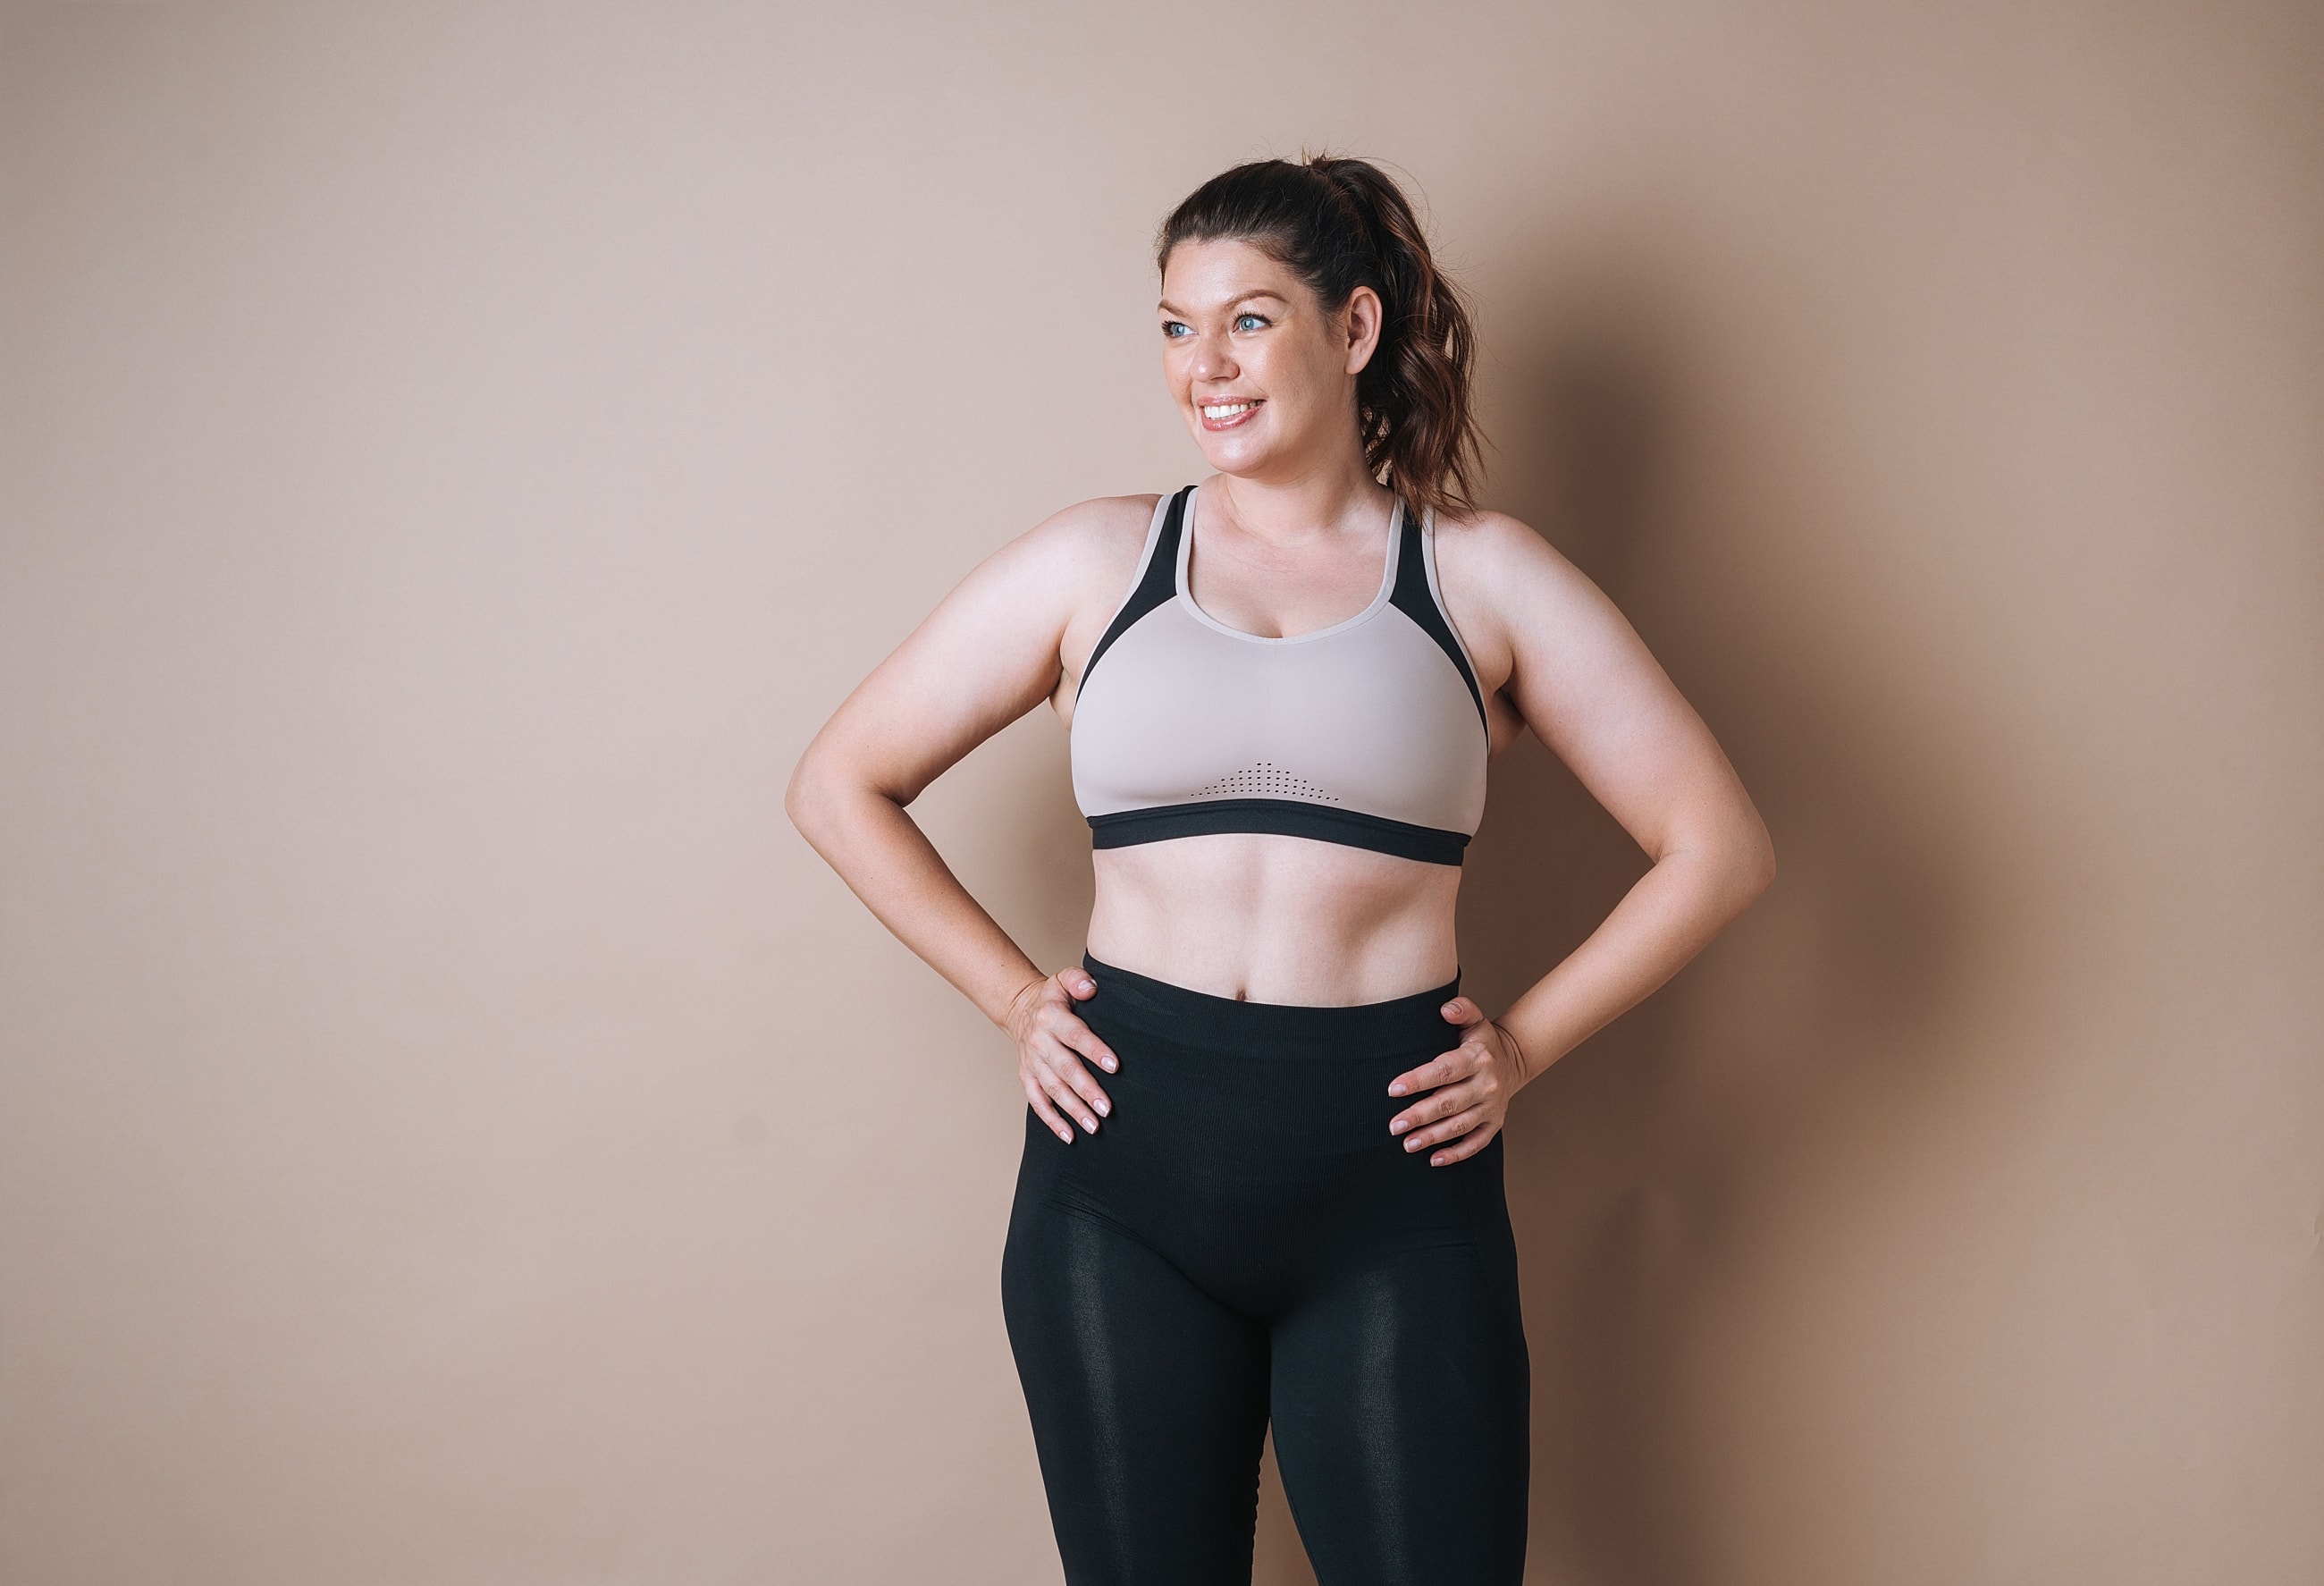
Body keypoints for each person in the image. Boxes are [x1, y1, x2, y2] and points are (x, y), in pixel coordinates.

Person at [786, 154, 1775, 1586]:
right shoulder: (1099, 562)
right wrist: (1014, 999)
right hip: (1118, 1186)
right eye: (1178, 327)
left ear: (1354, 329)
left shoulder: (1478, 577)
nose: (1207, 366)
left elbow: (1718, 845)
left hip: (1391, 1185)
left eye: (1248, 320)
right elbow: (839, 781)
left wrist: (1524, 1044)